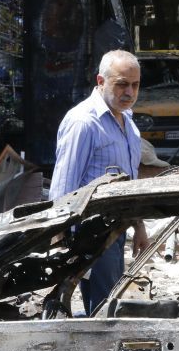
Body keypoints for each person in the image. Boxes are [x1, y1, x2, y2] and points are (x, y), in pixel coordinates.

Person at [49, 50, 149, 315]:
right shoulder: (84, 122)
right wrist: (58, 236)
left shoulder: (127, 121)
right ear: (101, 81)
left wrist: (139, 226)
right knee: (105, 308)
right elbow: (63, 187)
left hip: (117, 231)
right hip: (91, 234)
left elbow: (132, 181)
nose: (130, 92)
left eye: (135, 85)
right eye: (122, 84)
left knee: (105, 305)